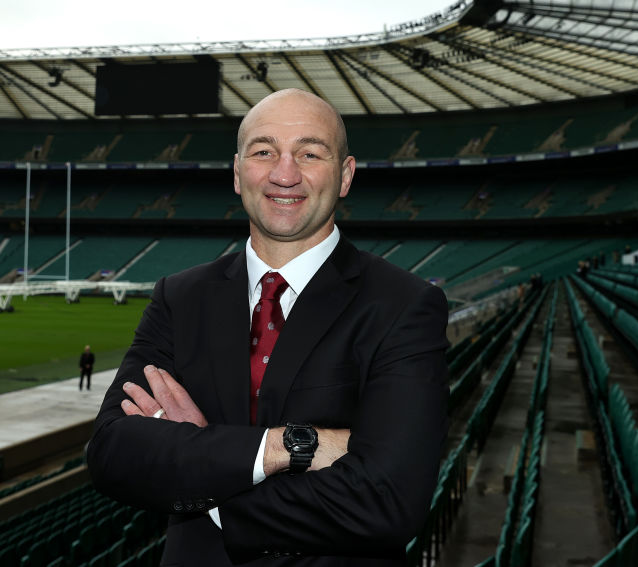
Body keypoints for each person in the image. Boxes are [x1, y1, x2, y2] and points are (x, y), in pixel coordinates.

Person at [87, 89, 450, 566]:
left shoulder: (404, 305)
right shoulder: (179, 297)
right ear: (238, 174)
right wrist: (286, 447)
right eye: (264, 152)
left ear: (344, 176)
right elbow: (112, 453)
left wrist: (204, 467)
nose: (284, 173)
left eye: (309, 153)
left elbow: (386, 502)